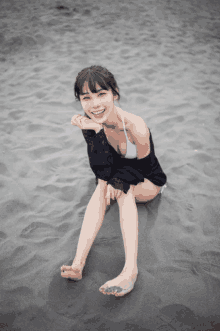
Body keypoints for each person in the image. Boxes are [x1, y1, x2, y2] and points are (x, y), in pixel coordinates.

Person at [61, 65, 167, 297]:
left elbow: (145, 168)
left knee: (122, 190)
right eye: (86, 98)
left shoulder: (135, 126)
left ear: (114, 94)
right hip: (115, 177)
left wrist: (117, 181)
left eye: (101, 94)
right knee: (102, 185)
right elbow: (100, 169)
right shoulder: (91, 121)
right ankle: (78, 264)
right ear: (80, 101)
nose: (95, 104)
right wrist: (94, 133)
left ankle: (130, 271)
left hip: (148, 182)